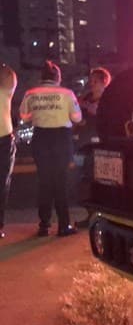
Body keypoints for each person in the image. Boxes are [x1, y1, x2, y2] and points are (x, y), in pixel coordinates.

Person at [19, 60, 82, 237]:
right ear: (57, 77)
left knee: (44, 181)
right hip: (61, 138)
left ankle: (44, 225)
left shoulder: (31, 93)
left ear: (42, 77)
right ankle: (63, 225)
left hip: (41, 137)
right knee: (60, 181)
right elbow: (77, 118)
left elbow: (24, 115)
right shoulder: (67, 93)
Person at [74, 67, 111, 228]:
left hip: (102, 148)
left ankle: (105, 218)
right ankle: (90, 216)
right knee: (85, 182)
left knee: (103, 184)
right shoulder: (84, 99)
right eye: (91, 81)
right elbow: (76, 118)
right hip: (84, 146)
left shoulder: (110, 101)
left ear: (105, 82)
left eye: (95, 81)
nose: (92, 84)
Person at [0, 63, 17, 239]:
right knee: (2, 184)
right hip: (4, 140)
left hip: (5, 140)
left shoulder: (4, 90)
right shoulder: (5, 91)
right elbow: (9, 76)